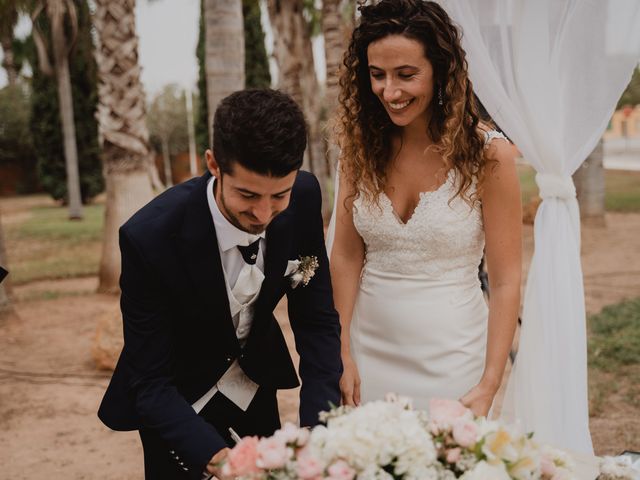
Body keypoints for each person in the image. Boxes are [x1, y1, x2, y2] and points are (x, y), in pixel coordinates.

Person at [98, 89, 342, 480]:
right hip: (176, 409)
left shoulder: (303, 198)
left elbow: (317, 320)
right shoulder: (150, 237)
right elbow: (150, 381)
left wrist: (318, 426)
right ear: (214, 164)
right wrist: (221, 462)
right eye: (247, 194)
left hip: (256, 387)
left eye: (279, 195)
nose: (264, 213)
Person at [330, 0, 522, 417]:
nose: (390, 92)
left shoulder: (489, 156)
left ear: (441, 70)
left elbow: (506, 279)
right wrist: (341, 350)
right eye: (377, 75)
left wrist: (491, 382)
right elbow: (345, 255)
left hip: (453, 357)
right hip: (367, 352)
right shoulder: (358, 149)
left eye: (406, 75)